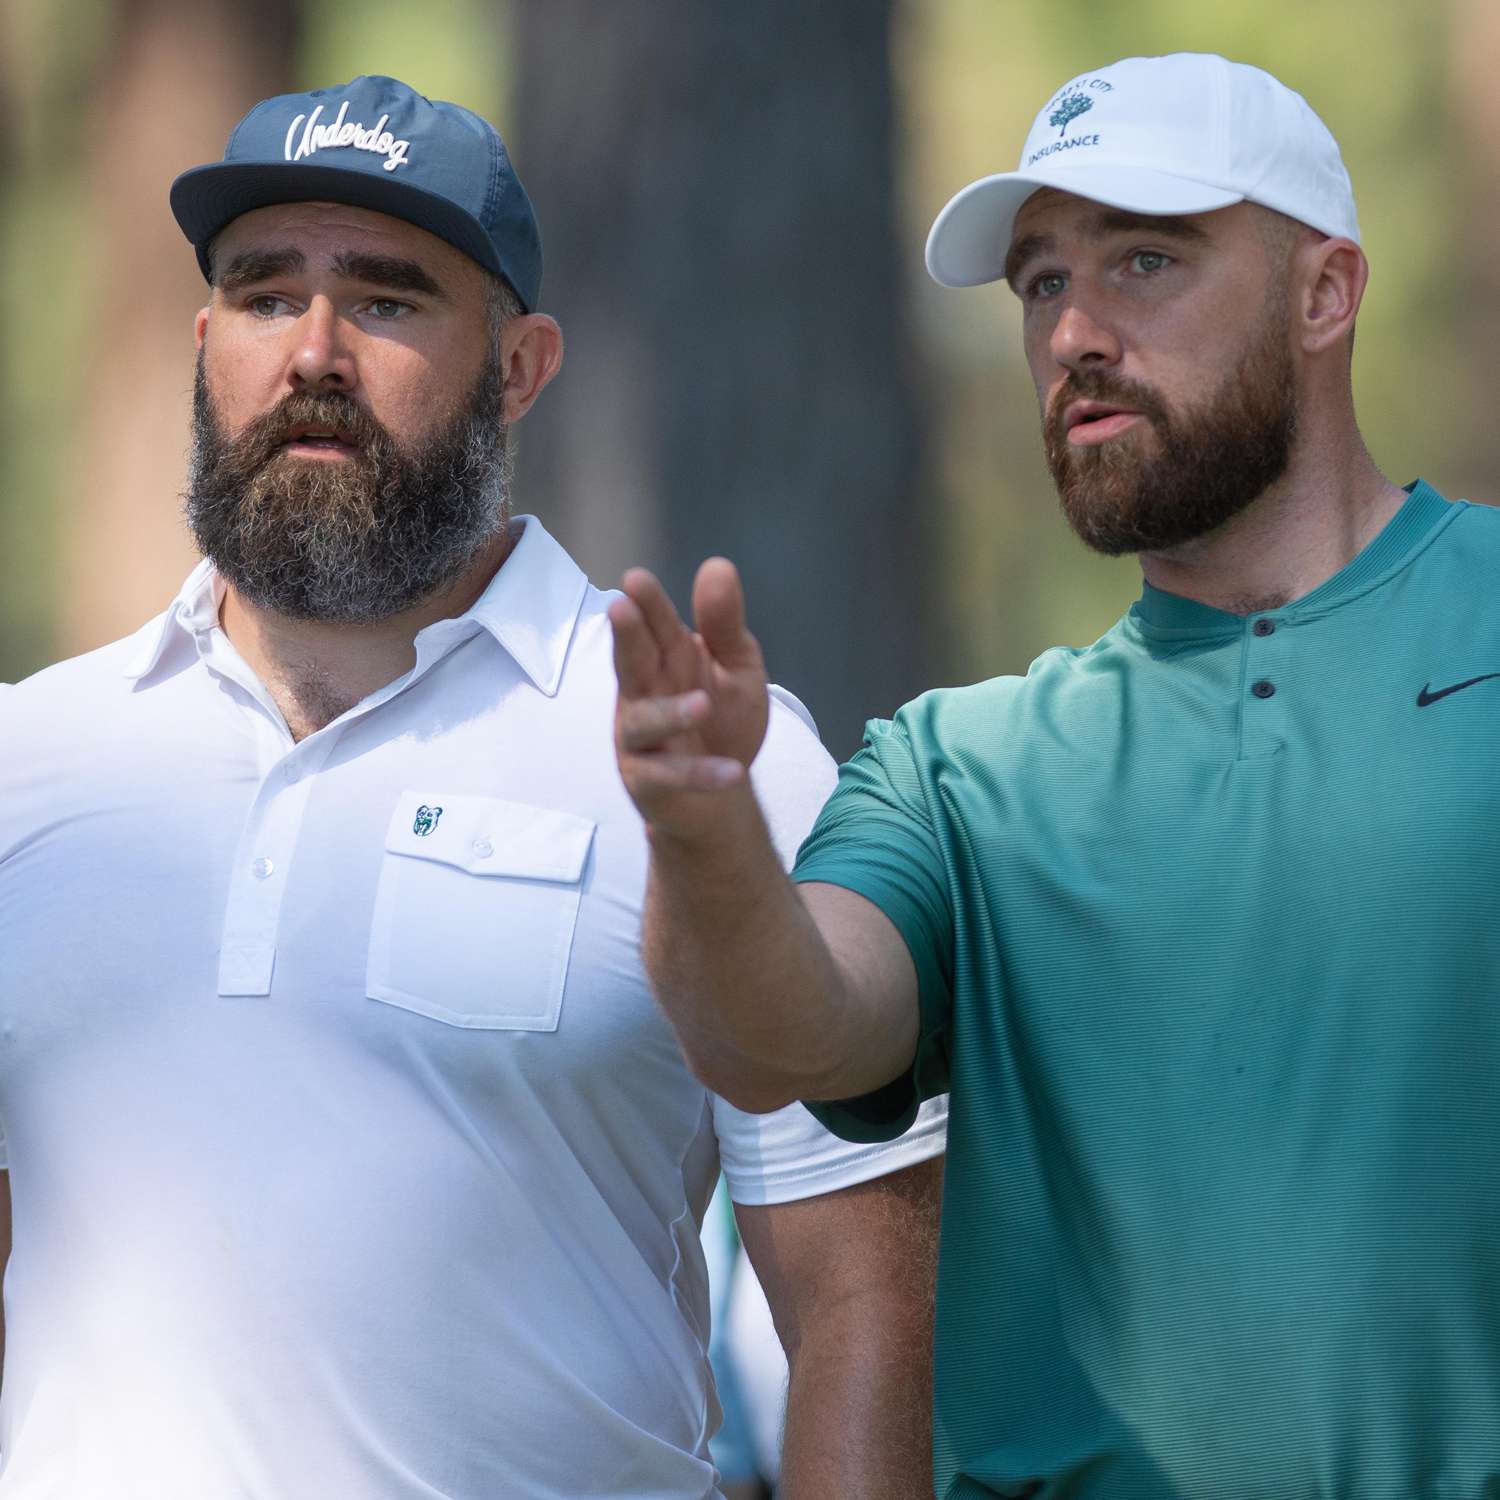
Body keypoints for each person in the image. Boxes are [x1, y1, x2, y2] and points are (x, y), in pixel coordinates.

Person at [0, 75, 947, 1499]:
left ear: (522, 367)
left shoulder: (699, 761)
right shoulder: (35, 760)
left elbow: (865, 1301)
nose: (314, 351)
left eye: (386, 301)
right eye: (265, 296)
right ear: (205, 345)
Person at [611, 51, 1500, 1499]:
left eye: (1146, 258)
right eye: (1038, 284)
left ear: (1324, 293)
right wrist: (704, 836)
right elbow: (784, 1033)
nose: (1076, 328)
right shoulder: (961, 771)